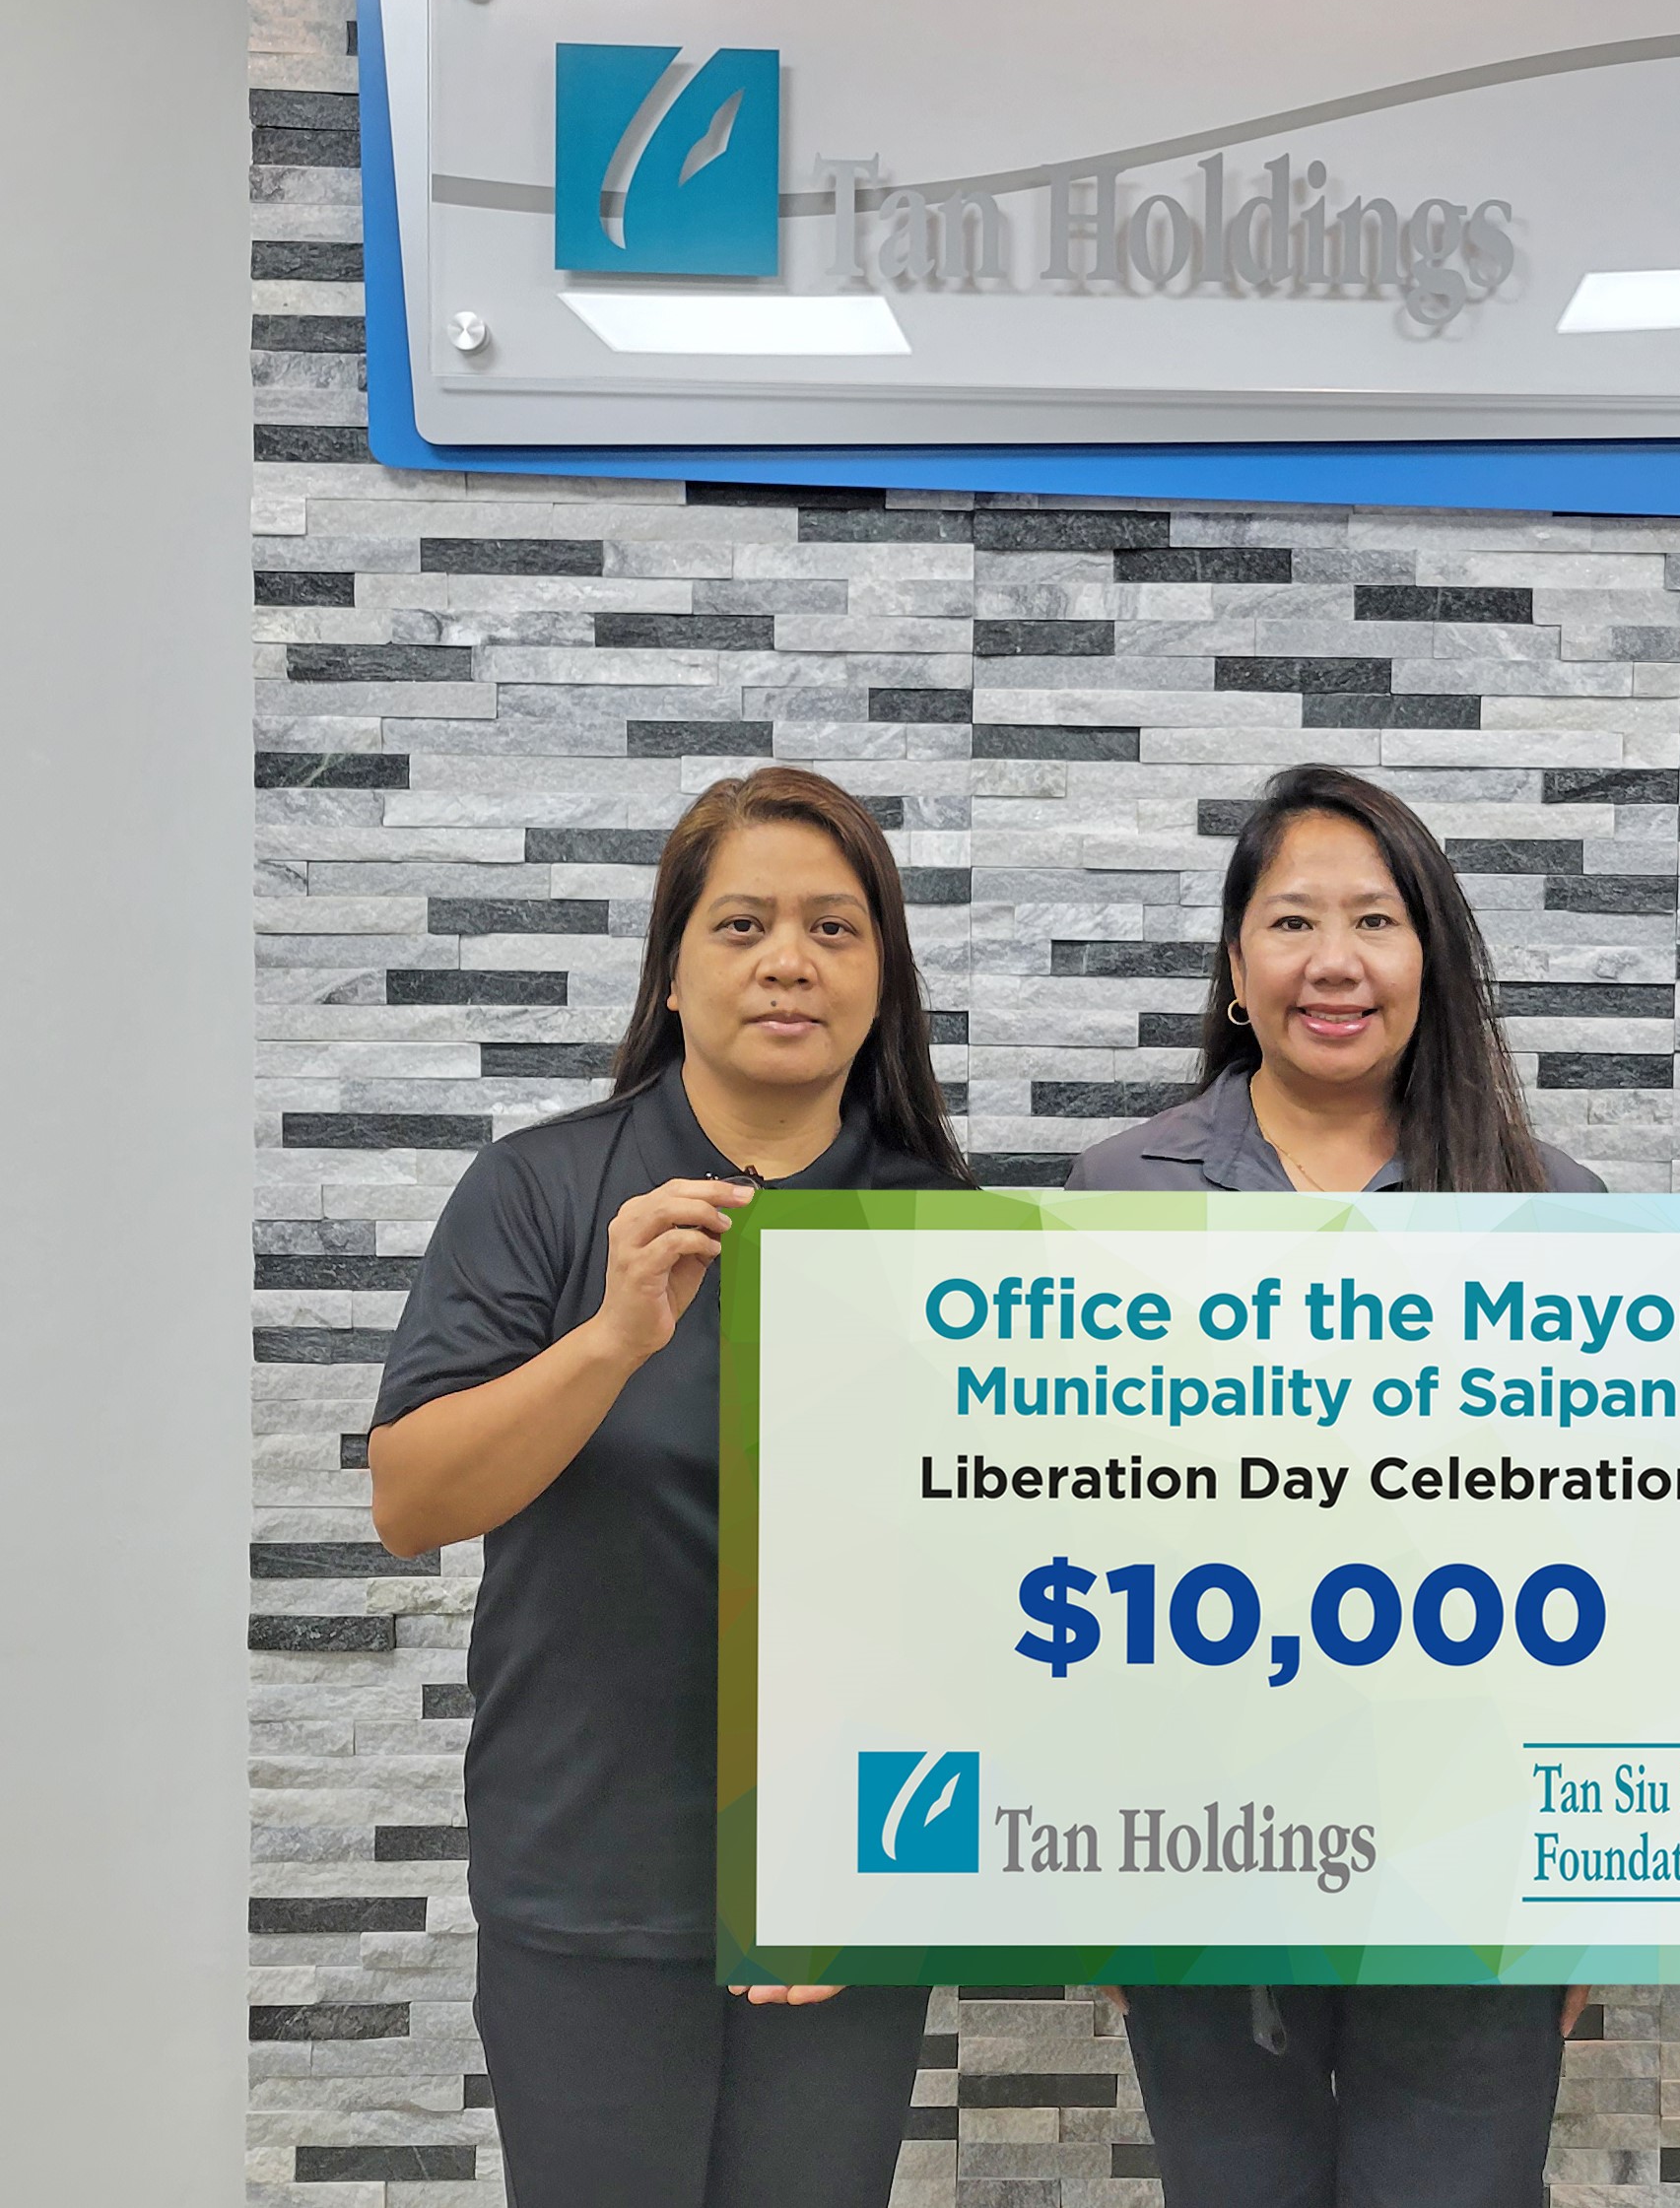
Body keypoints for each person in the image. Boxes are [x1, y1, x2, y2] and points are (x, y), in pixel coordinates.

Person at [368, 769, 970, 2208]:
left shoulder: (948, 1231)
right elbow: (412, 1501)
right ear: (675, 968)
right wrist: (609, 1338)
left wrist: (880, 1881)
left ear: (882, 978)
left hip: (846, 1888)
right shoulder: (541, 1190)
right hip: (586, 1883)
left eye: (835, 928)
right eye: (743, 922)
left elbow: (987, 1597)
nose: (788, 960)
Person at [1069, 762, 1599, 2208]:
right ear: (1238, 966)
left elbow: (1616, 1550)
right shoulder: (1119, 1196)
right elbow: (1063, 1534)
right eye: (1294, 920)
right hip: (1202, 1845)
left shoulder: (1548, 1207)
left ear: (1432, 956)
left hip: (1475, 1849)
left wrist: (1600, 1893)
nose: (1335, 960)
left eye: (1375, 917)